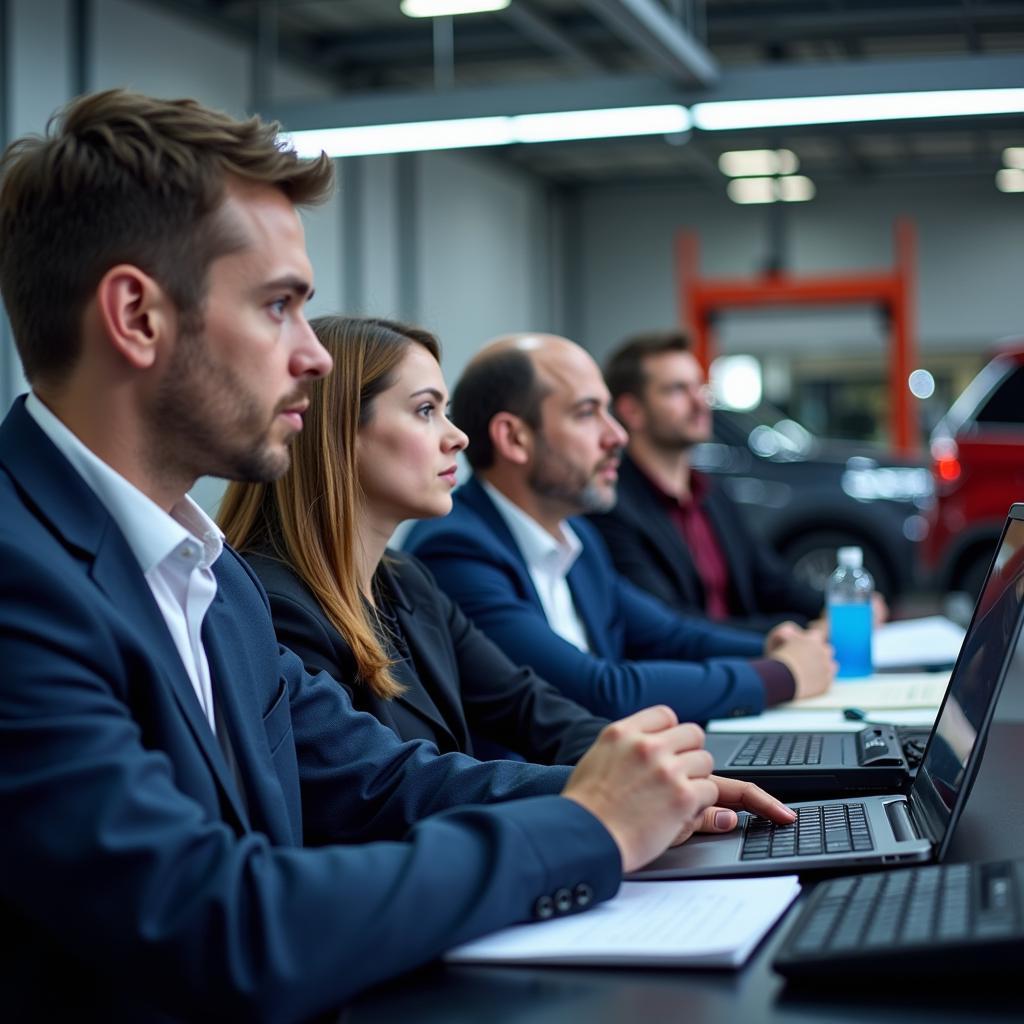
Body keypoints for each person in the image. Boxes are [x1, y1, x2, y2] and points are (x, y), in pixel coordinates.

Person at [0, 90, 797, 1022]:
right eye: (278, 307)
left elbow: (381, 781)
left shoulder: (208, 580)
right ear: (136, 316)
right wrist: (587, 826)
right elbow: (214, 921)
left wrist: (644, 796)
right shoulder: (23, 582)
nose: (317, 356)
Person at [219, 315, 608, 764]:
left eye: (448, 413)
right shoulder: (274, 606)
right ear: (339, 432)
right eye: (426, 411)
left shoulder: (407, 582)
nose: (458, 438)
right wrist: (600, 793)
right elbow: (390, 785)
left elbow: (529, 708)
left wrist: (648, 765)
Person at [406, 333, 836, 724]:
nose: (617, 436)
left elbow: (670, 634)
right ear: (514, 439)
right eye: (587, 413)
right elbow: (596, 691)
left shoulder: (578, 539)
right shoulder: (456, 549)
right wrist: (779, 675)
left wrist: (775, 644)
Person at [590, 329, 826, 632]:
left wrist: (838, 606)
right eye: (677, 390)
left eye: (699, 387)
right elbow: (672, 628)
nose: (699, 403)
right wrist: (795, 629)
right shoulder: (613, 506)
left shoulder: (709, 493)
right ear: (632, 411)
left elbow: (770, 580)